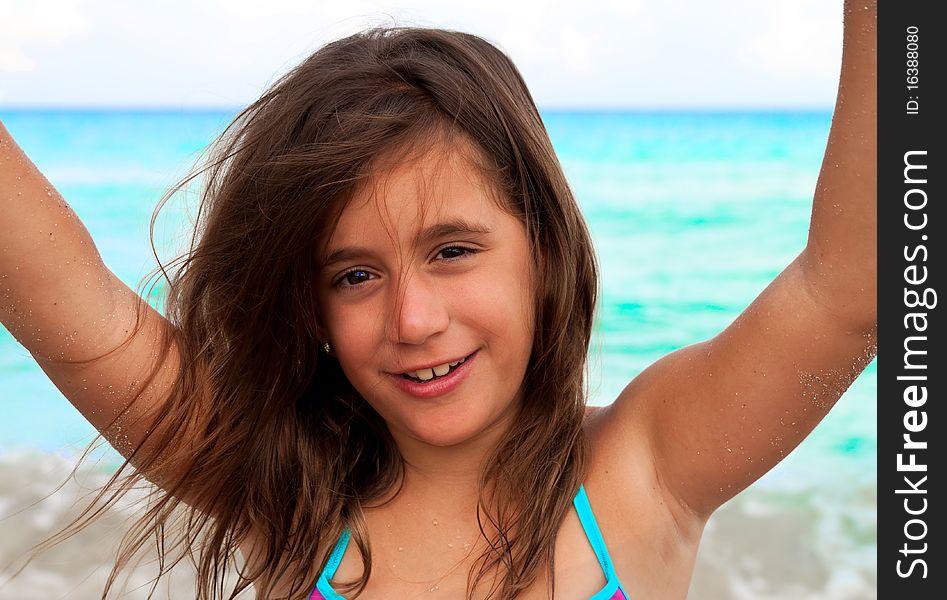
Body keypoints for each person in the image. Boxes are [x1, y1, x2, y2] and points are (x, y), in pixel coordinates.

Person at [0, 2, 876, 599]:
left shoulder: (642, 466)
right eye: (354, 276)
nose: (413, 321)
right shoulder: (280, 488)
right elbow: (60, 298)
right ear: (309, 309)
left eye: (452, 251)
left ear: (542, 247)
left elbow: (853, 286)